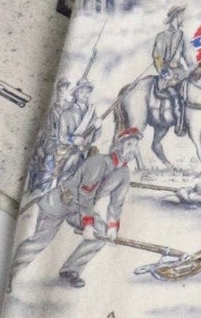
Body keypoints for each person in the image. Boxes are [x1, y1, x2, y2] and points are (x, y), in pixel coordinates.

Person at [11, 121, 140, 286]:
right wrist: (88, 224)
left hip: (79, 209)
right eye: (129, 144)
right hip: (60, 202)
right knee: (39, 241)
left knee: (100, 232)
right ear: (119, 145)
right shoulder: (99, 162)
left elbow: (117, 203)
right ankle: (11, 273)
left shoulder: (124, 174)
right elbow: (86, 194)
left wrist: (112, 227)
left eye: (135, 145)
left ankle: (71, 269)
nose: (132, 149)